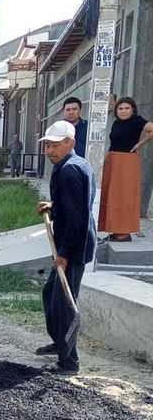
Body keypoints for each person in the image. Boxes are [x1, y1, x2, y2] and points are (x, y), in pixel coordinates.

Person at [35, 120, 96, 375]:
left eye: (55, 145)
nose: (50, 150)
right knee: (51, 293)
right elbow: (75, 205)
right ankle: (60, 341)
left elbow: (76, 219)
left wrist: (63, 254)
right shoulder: (72, 165)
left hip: (73, 247)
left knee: (64, 305)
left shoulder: (70, 171)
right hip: (71, 244)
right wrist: (53, 205)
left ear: (70, 143)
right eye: (48, 145)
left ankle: (69, 363)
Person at [97, 96, 153, 242]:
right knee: (112, 195)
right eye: (120, 108)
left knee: (125, 196)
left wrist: (140, 144)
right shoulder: (116, 123)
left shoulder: (137, 121)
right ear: (116, 111)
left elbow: (152, 130)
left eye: (127, 108)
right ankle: (115, 230)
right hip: (113, 159)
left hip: (127, 160)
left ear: (132, 109)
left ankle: (124, 232)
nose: (123, 111)